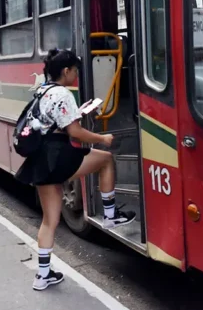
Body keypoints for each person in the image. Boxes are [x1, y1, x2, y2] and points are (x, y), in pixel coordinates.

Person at [15, 49, 134, 291]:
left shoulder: (42, 91)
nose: (77, 74)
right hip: (58, 157)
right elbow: (75, 132)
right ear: (66, 71)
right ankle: (110, 216)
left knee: (50, 221)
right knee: (106, 160)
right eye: (76, 70)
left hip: (40, 160)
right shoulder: (63, 94)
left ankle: (43, 275)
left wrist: (76, 115)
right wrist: (103, 139)